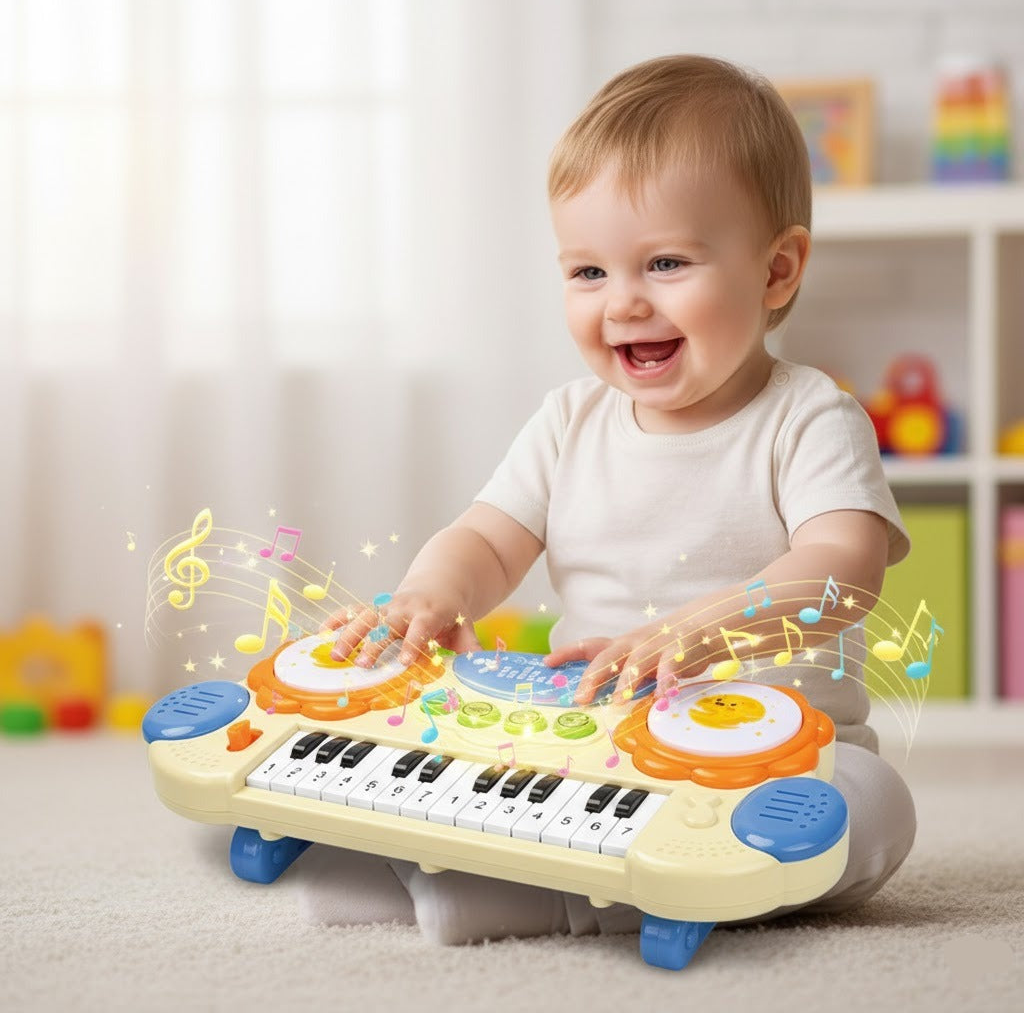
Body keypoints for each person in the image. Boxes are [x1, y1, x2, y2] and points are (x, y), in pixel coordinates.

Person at [299, 54, 917, 945]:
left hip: (777, 764)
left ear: (777, 271)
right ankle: (430, 855)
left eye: (665, 263)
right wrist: (431, 595)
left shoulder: (809, 416)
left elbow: (842, 569)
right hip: (592, 751)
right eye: (588, 272)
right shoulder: (568, 422)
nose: (623, 303)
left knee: (875, 808)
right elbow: (487, 538)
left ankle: (545, 894)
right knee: (455, 750)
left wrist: (699, 631)